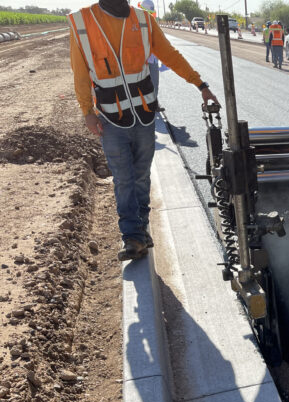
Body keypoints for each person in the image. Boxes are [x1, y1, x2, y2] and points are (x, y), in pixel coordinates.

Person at [68, 0, 219, 261]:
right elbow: (80, 70)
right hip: (110, 117)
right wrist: (86, 112)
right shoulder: (82, 22)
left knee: (140, 176)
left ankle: (141, 230)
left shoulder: (143, 20)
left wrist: (200, 85)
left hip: (144, 114)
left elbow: (170, 55)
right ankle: (132, 237)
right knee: (123, 178)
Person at [138, 0, 161, 108]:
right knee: (143, 84)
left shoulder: (152, 22)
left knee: (154, 83)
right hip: (142, 60)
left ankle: (154, 103)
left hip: (153, 59)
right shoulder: (136, 23)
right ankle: (144, 105)